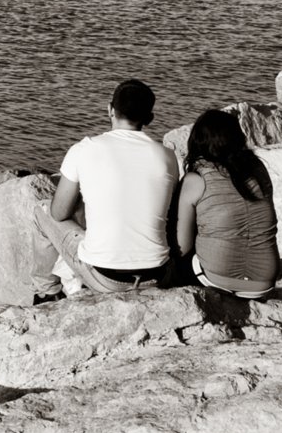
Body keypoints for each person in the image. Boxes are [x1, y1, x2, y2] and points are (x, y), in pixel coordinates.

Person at [31, 79, 179, 299]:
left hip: (105, 278)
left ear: (109, 109)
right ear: (149, 118)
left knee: (41, 210)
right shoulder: (167, 156)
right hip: (157, 275)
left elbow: (58, 213)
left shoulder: (84, 149)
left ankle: (46, 294)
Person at [175, 110, 281, 298]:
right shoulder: (258, 170)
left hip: (214, 280)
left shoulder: (196, 179)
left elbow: (182, 247)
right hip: (263, 283)